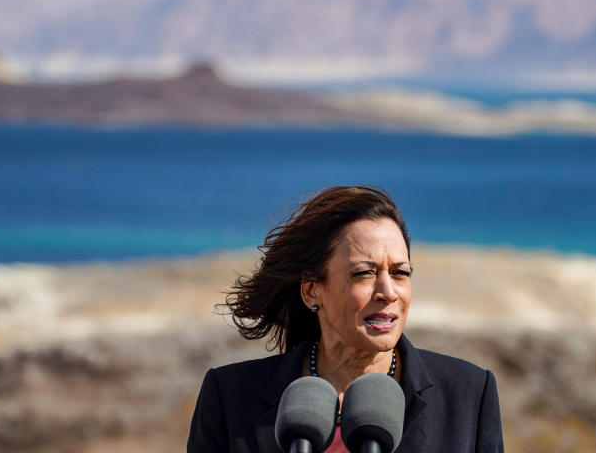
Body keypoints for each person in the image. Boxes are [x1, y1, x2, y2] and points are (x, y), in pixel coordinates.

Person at [187, 185, 504, 453]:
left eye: (400, 273)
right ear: (312, 291)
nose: (387, 292)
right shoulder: (229, 397)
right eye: (364, 273)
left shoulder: (470, 394)